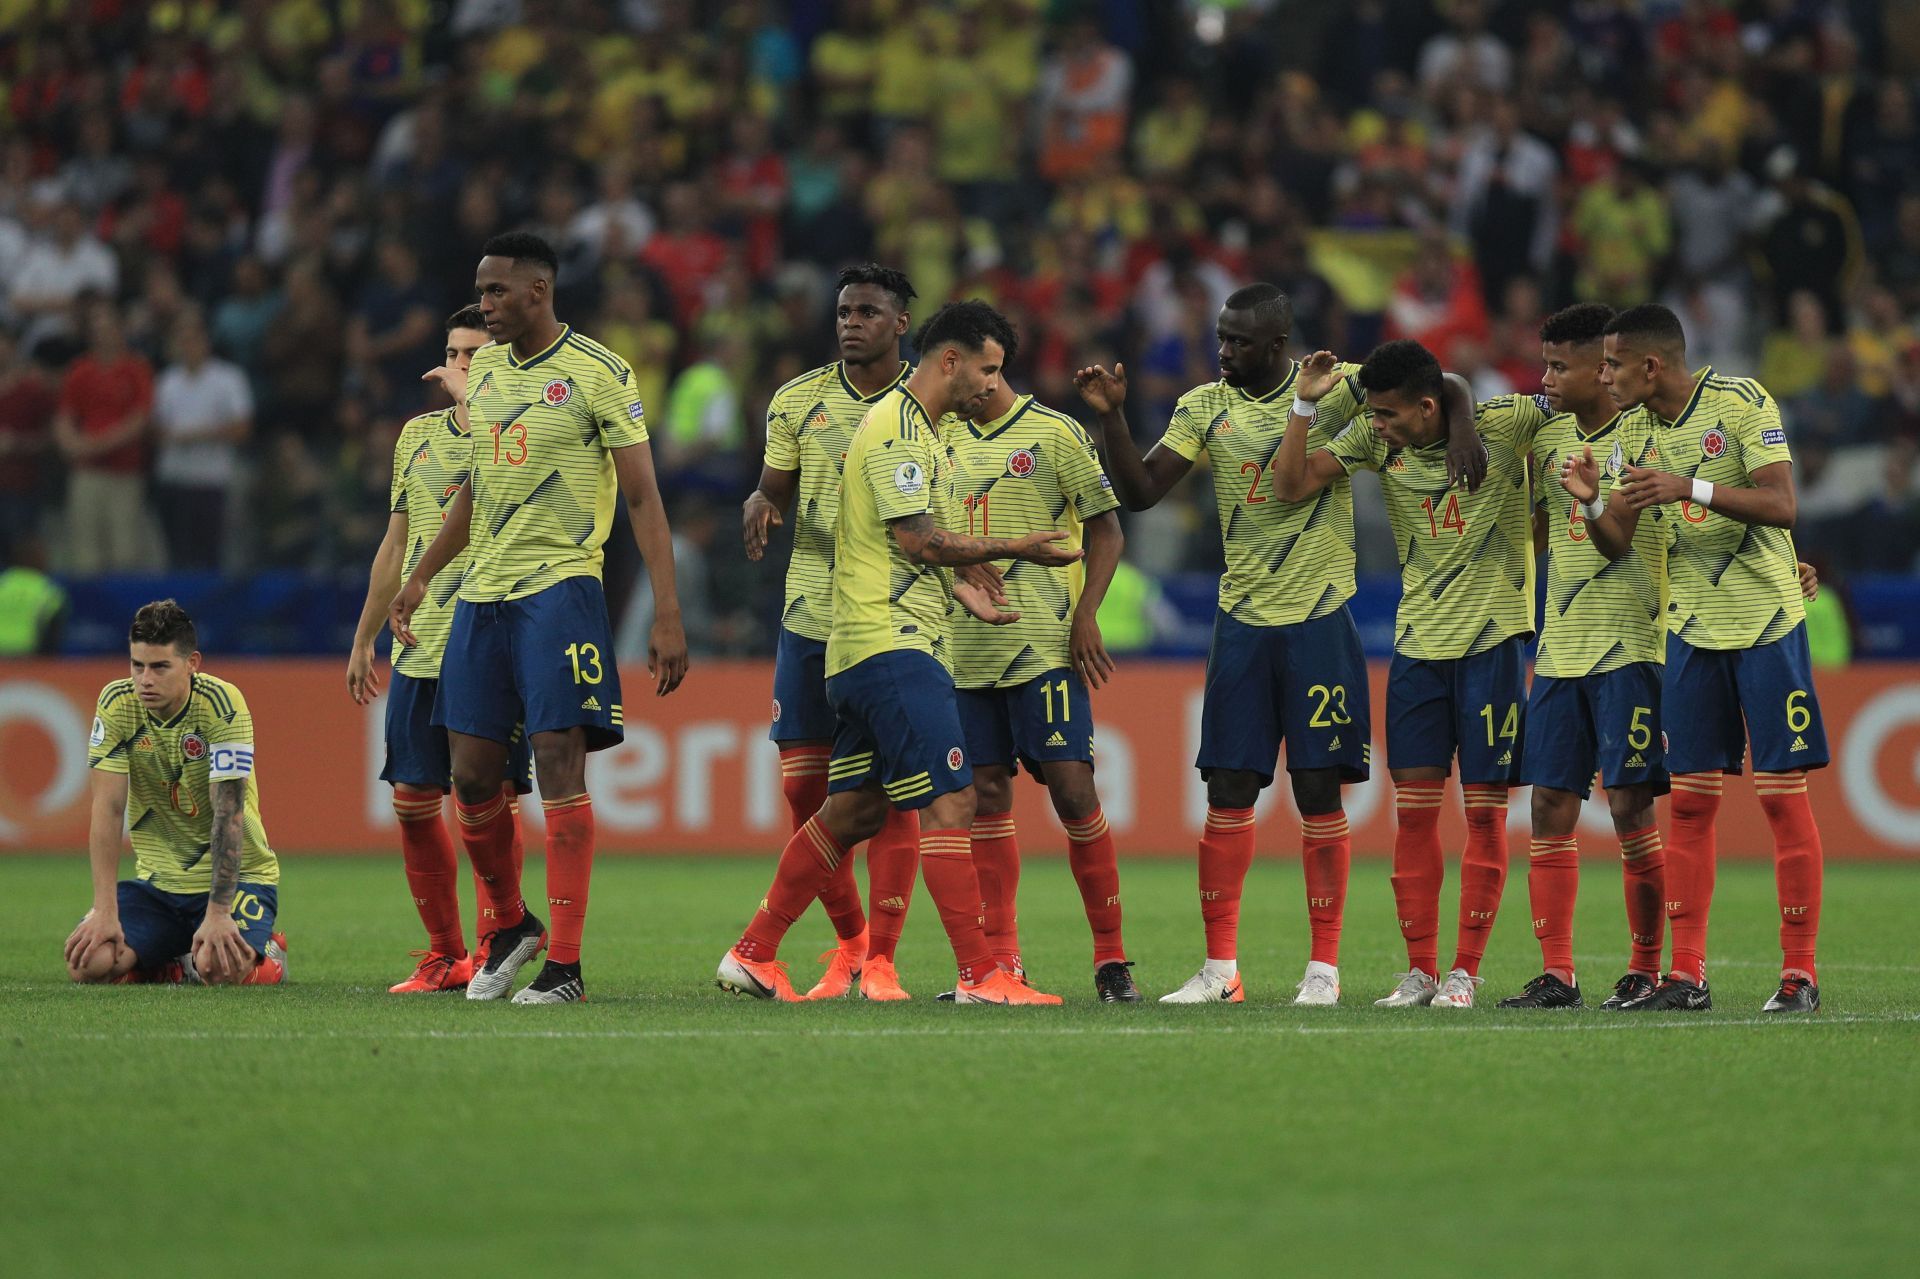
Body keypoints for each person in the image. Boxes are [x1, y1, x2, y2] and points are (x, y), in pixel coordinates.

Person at [1075, 284, 1483, 1006]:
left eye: (1237, 340)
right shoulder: (1204, 405)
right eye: (1222, 337)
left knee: (1318, 788)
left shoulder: (1336, 384)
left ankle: (1323, 969)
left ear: (1277, 343)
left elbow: (1439, 379)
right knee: (1229, 787)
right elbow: (1140, 492)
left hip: (1321, 616)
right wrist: (1109, 419)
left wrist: (1462, 428)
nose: (1223, 350)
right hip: (1241, 620)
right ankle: (1220, 968)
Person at [716, 299, 1082, 1006]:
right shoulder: (898, 428)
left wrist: (962, 580)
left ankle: (753, 951)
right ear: (950, 360)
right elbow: (917, 537)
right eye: (987, 368)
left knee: (852, 810)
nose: (992, 385)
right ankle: (982, 975)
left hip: (867, 646)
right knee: (954, 799)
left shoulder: (923, 430)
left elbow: (911, 546)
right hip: (891, 646)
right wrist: (1015, 544)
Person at [390, 232, 689, 1006]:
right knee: (471, 777)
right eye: (480, 291)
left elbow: (645, 498)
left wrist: (667, 612)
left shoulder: (599, 372)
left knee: (558, 757)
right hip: (480, 596)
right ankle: (514, 923)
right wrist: (421, 576)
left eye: (496, 292)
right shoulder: (483, 371)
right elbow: (475, 489)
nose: (484, 305)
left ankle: (566, 964)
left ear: (539, 291)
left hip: (560, 588)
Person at [1276, 341, 1542, 1010]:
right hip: (1417, 647)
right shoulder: (1375, 434)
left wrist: (1464, 414)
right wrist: (1304, 405)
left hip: (1495, 643)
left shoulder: (1505, 425)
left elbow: (1577, 404)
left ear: (1428, 407)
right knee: (1414, 819)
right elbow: (1290, 482)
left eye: (1390, 415)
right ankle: (1420, 971)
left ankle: (1464, 973)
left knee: (1484, 816)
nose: (1377, 425)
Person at [1598, 303, 1827, 1014]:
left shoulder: (1740, 400)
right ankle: (1687, 973)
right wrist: (1587, 507)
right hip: (1692, 632)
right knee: (1691, 806)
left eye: (1612, 364)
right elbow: (1618, 540)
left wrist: (1688, 486)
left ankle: (1798, 975)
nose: (1605, 378)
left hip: (1764, 624)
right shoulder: (1631, 434)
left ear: (1651, 365)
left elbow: (1783, 505)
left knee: (1781, 801)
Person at [741, 263, 923, 1001]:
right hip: (809, 616)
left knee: (891, 795)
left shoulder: (927, 402)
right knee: (804, 795)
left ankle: (881, 959)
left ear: (900, 323)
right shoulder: (798, 400)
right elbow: (774, 488)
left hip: (894, 621)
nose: (851, 321)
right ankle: (848, 946)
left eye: (869, 311)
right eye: (844, 310)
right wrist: (759, 503)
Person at [347, 305, 533, 994]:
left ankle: (498, 942)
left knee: (490, 797)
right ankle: (445, 953)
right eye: (453, 353)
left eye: (474, 355)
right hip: (417, 645)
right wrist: (364, 634)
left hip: (486, 635)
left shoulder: (518, 433)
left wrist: (477, 404)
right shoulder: (417, 436)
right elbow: (397, 541)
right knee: (412, 800)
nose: (458, 366)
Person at [947, 331, 1135, 1003]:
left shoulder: (1054, 434)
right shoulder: (937, 436)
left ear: (982, 367)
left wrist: (1087, 614)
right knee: (986, 795)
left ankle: (1112, 959)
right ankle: (1003, 962)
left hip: (1044, 648)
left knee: (1072, 787)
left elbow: (1108, 528)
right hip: (963, 652)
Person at [1497, 303, 1672, 1010]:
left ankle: (1644, 967)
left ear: (1601, 369)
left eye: (1558, 366)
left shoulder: (1641, 436)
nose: (1545, 379)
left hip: (1631, 641)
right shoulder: (1547, 440)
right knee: (1549, 805)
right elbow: (1541, 535)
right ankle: (1559, 972)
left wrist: (1596, 499)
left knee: (1630, 805)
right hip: (1562, 649)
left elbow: (1618, 540)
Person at [63, 600, 287, 986]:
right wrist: (105, 909)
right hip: (158, 886)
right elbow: (108, 808)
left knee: (220, 969)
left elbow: (228, 813)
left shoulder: (222, 704)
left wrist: (218, 912)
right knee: (89, 965)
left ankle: (269, 951)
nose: (145, 680)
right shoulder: (117, 704)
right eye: (137, 666)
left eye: (159, 667)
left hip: (240, 880)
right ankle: (177, 962)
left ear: (192, 663)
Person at [151, 314, 253, 568]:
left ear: (205, 342)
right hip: (174, 478)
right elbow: (156, 430)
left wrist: (196, 435)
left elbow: (242, 428)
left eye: (193, 340)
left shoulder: (228, 379)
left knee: (211, 554)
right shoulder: (167, 381)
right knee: (178, 555)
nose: (188, 346)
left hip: (211, 479)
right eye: (182, 340)